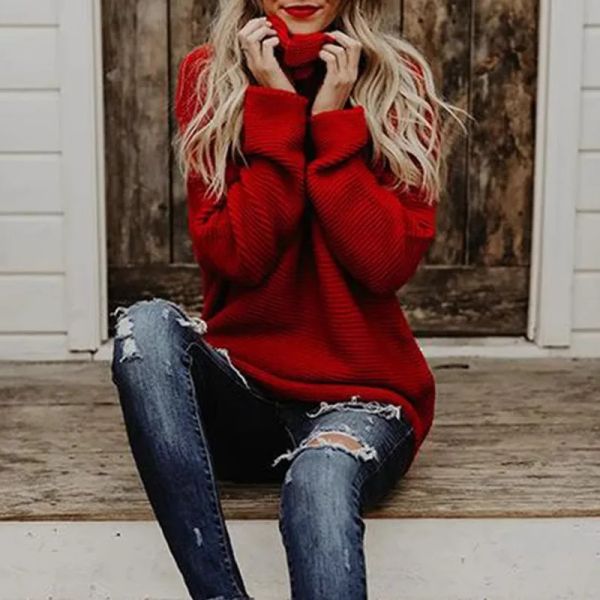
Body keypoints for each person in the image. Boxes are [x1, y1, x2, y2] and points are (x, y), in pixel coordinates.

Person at [110, 1, 465, 598]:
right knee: (142, 328)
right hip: (245, 396)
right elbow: (240, 258)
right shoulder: (211, 77)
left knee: (320, 477)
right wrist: (277, 107)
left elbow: (382, 266)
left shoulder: (397, 80)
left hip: (361, 398)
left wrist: (331, 122)